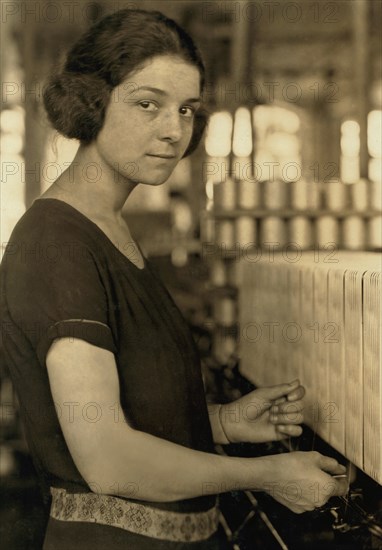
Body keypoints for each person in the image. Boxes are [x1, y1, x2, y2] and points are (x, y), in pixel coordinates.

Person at [0, 8, 348, 549]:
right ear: (91, 104)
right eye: (147, 104)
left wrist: (226, 423)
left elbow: (128, 410)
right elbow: (108, 459)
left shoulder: (108, 229)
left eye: (186, 109)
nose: (173, 130)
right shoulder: (57, 245)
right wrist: (267, 475)